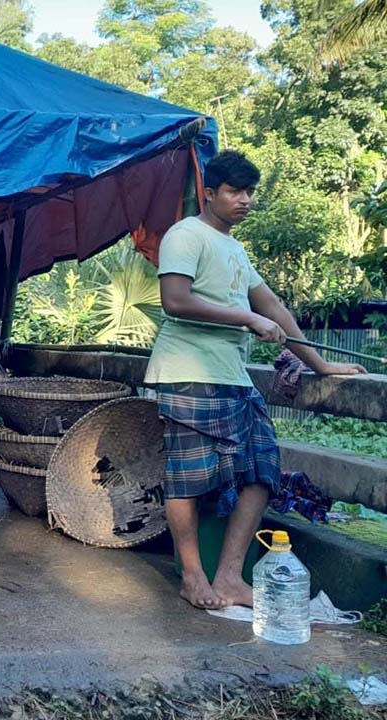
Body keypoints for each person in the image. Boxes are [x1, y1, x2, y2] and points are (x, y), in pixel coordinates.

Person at [145, 150, 365, 609]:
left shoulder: (236, 249)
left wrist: (318, 364)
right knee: (188, 479)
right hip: (187, 373)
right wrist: (245, 318)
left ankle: (228, 577)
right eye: (234, 191)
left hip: (232, 377)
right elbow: (175, 301)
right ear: (209, 194)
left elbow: (274, 308)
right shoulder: (186, 235)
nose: (244, 200)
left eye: (249, 192)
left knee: (262, 472)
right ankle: (192, 577)